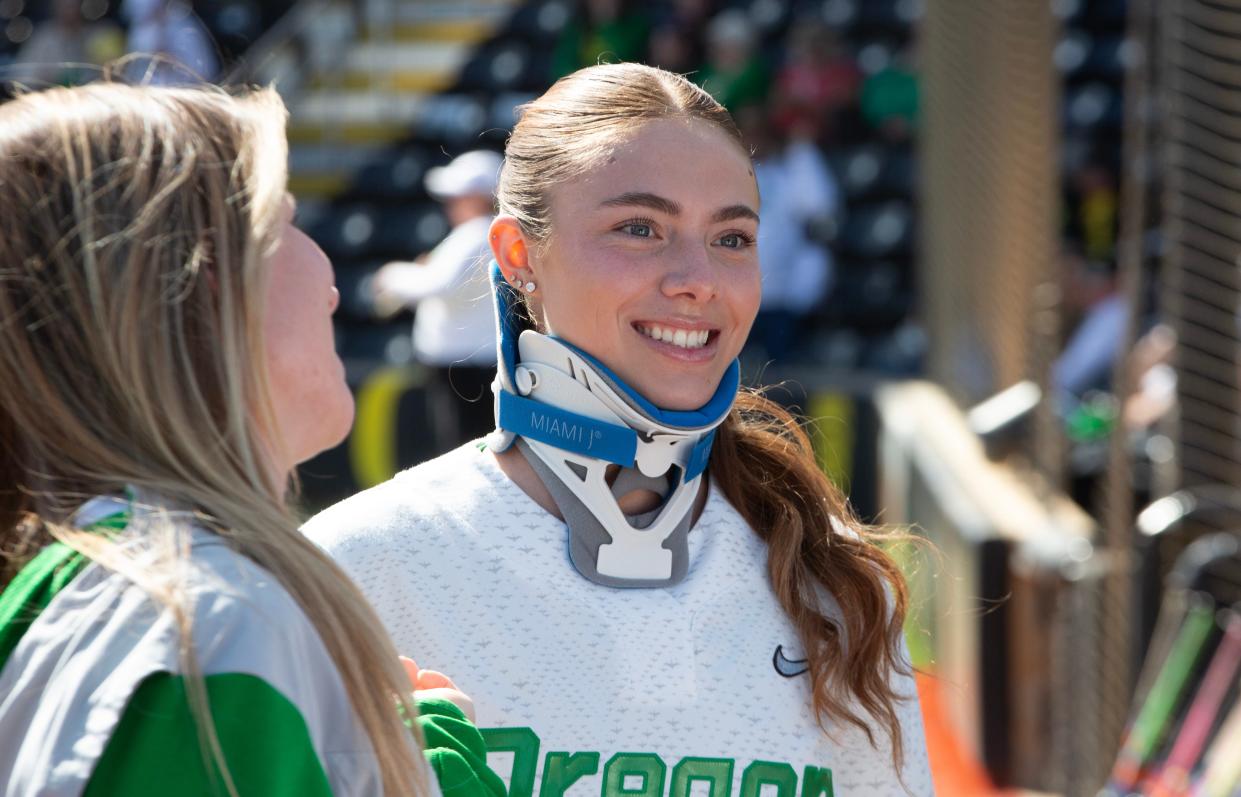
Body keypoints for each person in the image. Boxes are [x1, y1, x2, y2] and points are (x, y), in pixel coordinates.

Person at [306, 63, 933, 794]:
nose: (697, 277)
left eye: (731, 237)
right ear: (516, 255)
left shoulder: (840, 584)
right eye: (640, 228)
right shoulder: (355, 571)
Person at [0, 82, 501, 797]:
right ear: (192, 295)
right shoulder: (209, 624)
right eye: (287, 222)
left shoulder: (132, 591)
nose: (329, 277)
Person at [372, 149, 502, 451]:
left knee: (466, 444)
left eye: (459, 195)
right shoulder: (478, 234)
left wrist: (392, 274)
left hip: (467, 363)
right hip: (465, 360)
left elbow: (439, 284)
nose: (451, 204)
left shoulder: (478, 233)